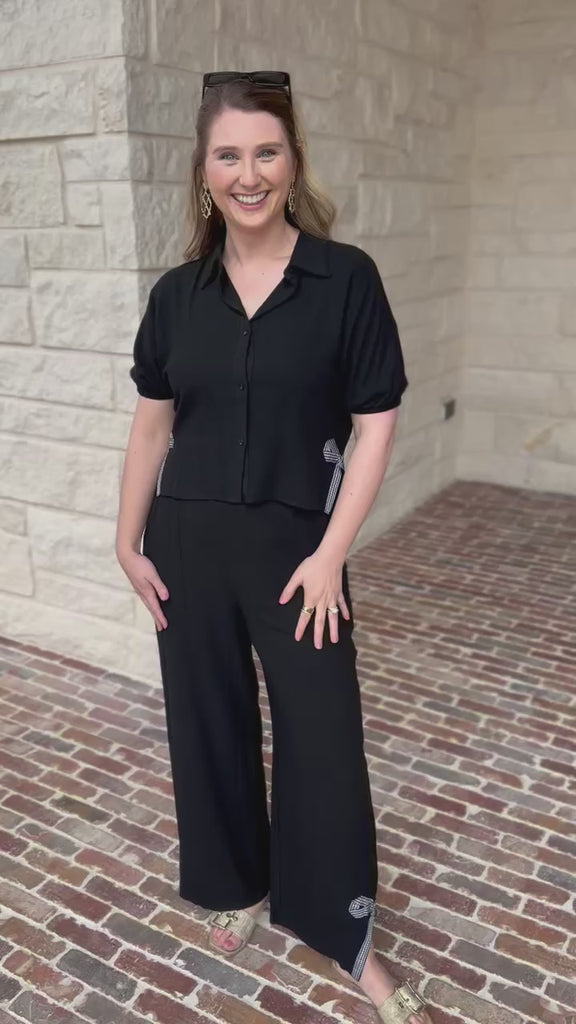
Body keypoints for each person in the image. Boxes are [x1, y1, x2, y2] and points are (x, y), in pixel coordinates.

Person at [116, 70, 432, 1024]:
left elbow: (375, 427)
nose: (247, 174)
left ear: (293, 164)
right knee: (206, 725)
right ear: (203, 171)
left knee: (323, 738)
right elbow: (151, 427)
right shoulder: (178, 296)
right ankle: (236, 887)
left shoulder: (346, 280)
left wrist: (332, 554)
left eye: (266, 152)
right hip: (188, 544)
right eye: (229, 155)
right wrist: (126, 541)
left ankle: (343, 930)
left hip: (300, 554)